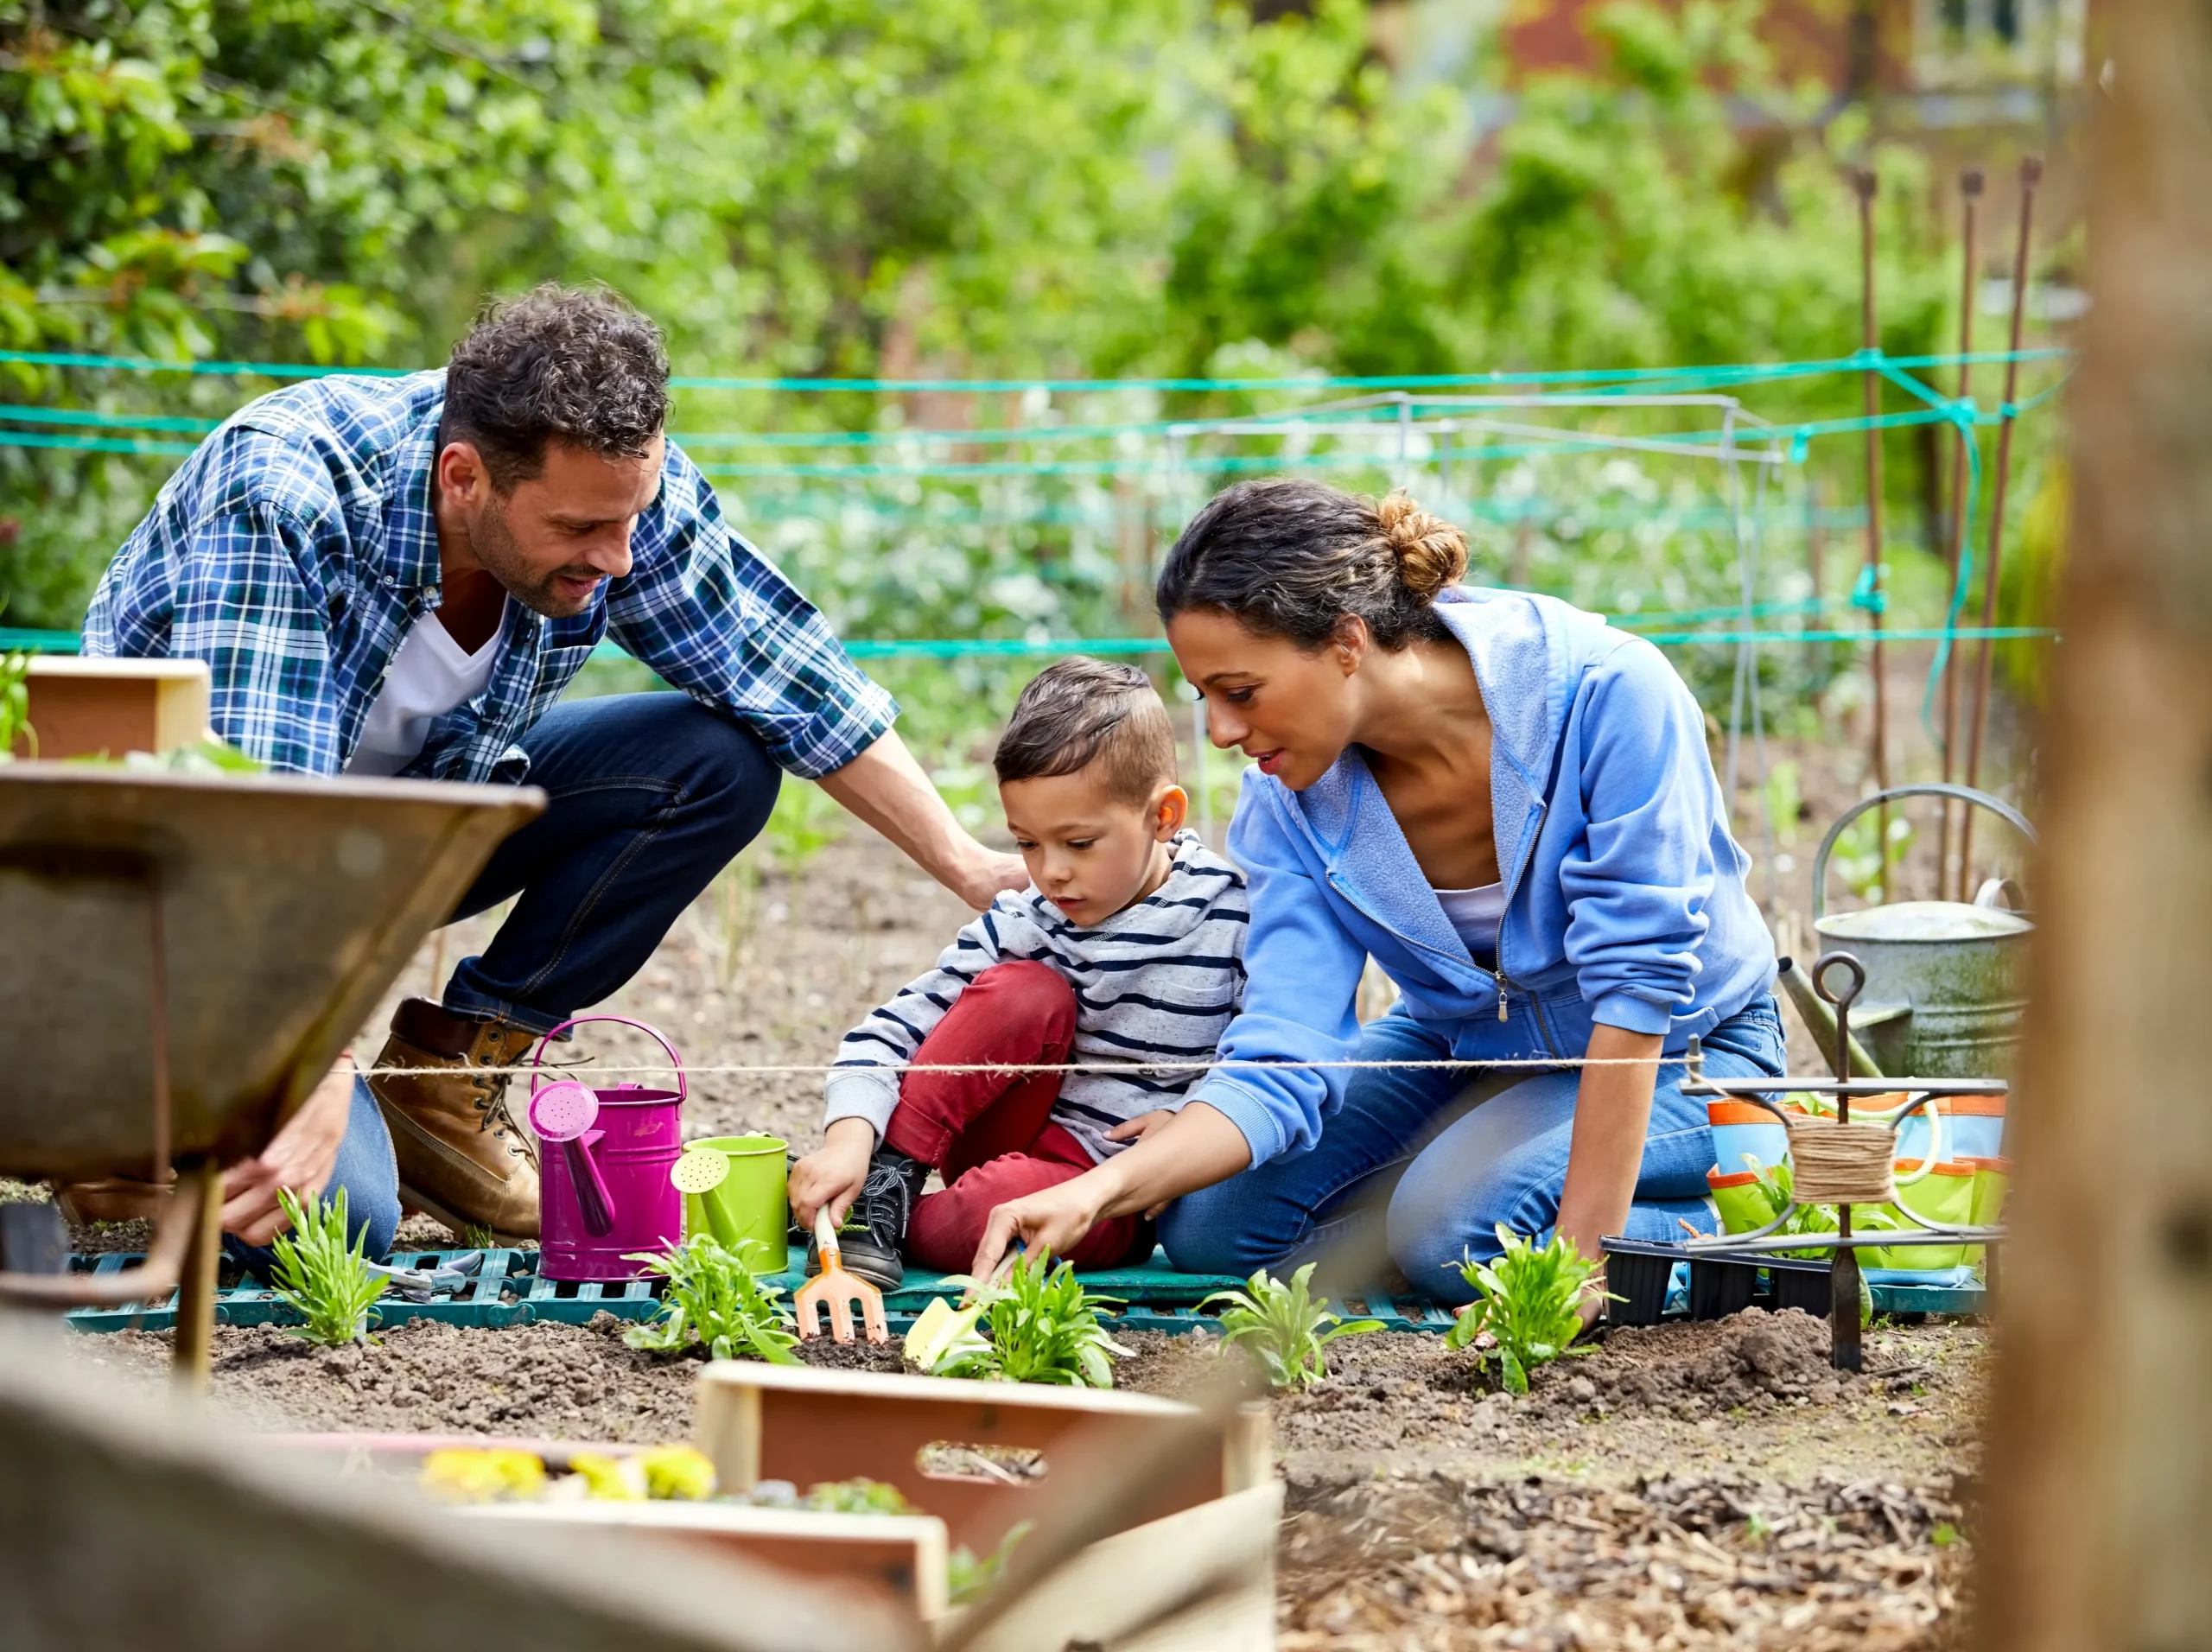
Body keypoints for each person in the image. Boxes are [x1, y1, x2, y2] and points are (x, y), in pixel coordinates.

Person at [73, 284, 1023, 1263]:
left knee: (713, 763)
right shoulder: (286, 492)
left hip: (388, 842)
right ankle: (113, 1106)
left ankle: (441, 1087)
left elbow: (786, 676)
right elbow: (247, 821)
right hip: (167, 898)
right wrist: (311, 1072)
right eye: (579, 531)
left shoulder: (611, 495)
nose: (616, 558)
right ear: (464, 477)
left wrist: (968, 865)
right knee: (338, 1219)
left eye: (629, 520)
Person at [964, 480, 1783, 1310]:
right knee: (1212, 1228)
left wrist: (1581, 1264)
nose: (1218, 732)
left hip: (1688, 1053)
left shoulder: (1607, 694)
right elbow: (1285, 1043)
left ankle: (1756, 1211)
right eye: (1203, 695)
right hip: (1464, 1048)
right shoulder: (1288, 800)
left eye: (1240, 691)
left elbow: (1637, 988)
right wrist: (1100, 1190)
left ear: (1347, 641)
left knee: (1454, 1238)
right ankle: (1462, 1189)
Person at [786, 658, 1248, 1287]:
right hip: (1002, 1129)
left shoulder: (1232, 916)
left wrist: (1191, 1121)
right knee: (1024, 991)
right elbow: (893, 1031)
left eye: (1078, 843)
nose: (1050, 871)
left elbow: (1264, 1059)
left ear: (1162, 816)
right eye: (1027, 843)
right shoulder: (1030, 917)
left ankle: (846, 1215)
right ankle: (879, 1185)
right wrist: (850, 1138)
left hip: (1109, 1190)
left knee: (992, 1211)